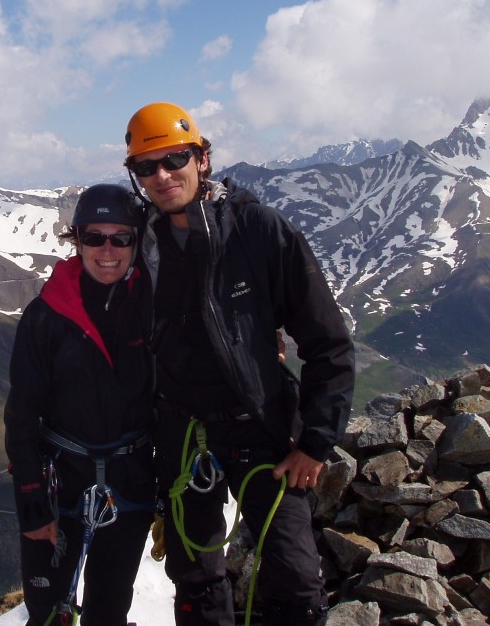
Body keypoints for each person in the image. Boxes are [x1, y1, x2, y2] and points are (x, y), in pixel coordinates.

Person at [122, 102, 355, 626]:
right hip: (182, 433)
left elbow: (328, 341)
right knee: (196, 581)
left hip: (262, 428)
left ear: (202, 159)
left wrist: (315, 443)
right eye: (145, 167)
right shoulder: (134, 241)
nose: (161, 176)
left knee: (296, 580)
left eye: (174, 159)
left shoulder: (257, 230)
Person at [4, 184, 155, 626]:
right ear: (77, 241)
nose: (107, 250)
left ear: (135, 242)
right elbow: (21, 414)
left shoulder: (154, 305)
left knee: (108, 611)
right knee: (47, 613)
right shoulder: (45, 316)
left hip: (132, 485)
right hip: (58, 488)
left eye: (121, 238)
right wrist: (32, 506)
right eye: (94, 237)